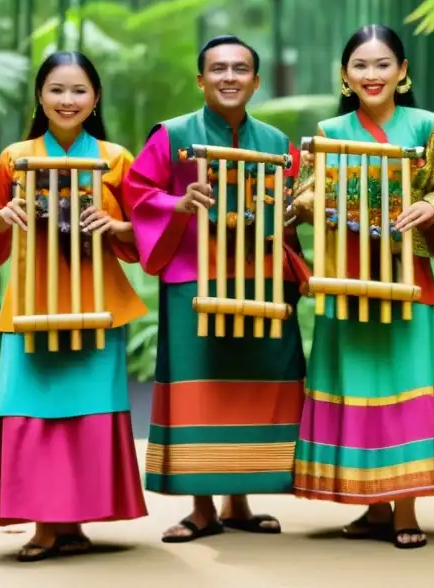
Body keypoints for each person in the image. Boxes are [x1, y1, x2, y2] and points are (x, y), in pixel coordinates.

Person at [122, 35, 308, 543]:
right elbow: (138, 194)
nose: (230, 77)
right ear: (200, 79)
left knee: (250, 390)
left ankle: (239, 502)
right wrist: (178, 204)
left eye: (241, 68)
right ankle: (201, 508)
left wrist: (297, 240)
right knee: (199, 392)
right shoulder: (172, 135)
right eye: (219, 68)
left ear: (257, 80)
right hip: (193, 281)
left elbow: (295, 208)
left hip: (261, 279)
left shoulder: (275, 142)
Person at [288, 24, 434, 549]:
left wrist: (428, 208)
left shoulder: (427, 127)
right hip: (348, 276)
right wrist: (311, 201)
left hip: (408, 277)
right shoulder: (329, 131)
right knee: (359, 389)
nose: (372, 75)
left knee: (402, 387)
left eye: (383, 64)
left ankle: (405, 508)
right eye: (360, 66)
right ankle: (372, 504)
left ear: (403, 71)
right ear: (345, 75)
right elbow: (305, 192)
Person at [0, 51, 148, 561]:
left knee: (89, 414)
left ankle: (73, 524)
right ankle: (45, 526)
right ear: (39, 97)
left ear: (96, 99)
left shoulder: (115, 159)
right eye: (56, 90)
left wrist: (115, 228)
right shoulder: (15, 157)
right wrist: (4, 216)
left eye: (78, 91)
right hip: (31, 304)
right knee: (31, 410)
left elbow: (145, 235)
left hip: (97, 306)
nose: (67, 100)